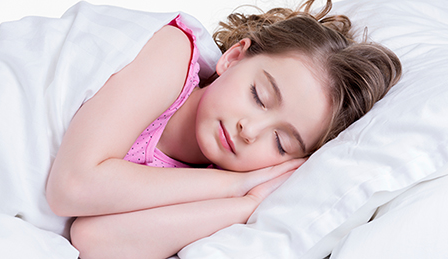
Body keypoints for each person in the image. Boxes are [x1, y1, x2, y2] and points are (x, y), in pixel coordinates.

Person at [44, 0, 402, 258]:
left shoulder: (203, 183)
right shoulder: (172, 53)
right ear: (232, 58)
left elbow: (94, 241)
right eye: (259, 96)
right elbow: (72, 186)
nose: (251, 130)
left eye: (280, 142)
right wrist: (235, 185)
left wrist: (247, 204)